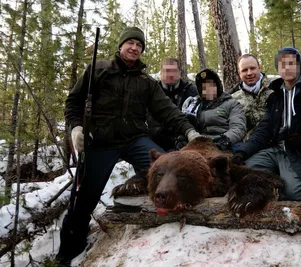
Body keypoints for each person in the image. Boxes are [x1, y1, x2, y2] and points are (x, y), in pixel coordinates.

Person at [57, 26, 201, 265]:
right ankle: (68, 252)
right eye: (130, 43)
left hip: (134, 139)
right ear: (121, 45)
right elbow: (73, 101)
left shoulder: (146, 82)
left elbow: (167, 111)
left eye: (139, 45)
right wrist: (76, 128)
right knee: (83, 197)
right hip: (100, 142)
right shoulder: (98, 69)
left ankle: (177, 219)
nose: (134, 48)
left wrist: (189, 131)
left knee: (167, 169)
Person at [232, 47, 301, 201]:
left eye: (291, 63)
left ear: (299, 65)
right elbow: (264, 129)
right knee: (244, 171)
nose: (287, 68)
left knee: (296, 193)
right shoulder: (276, 94)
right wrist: (243, 151)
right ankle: (280, 185)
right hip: (277, 150)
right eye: (282, 65)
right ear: (277, 69)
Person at [180, 68, 246, 151]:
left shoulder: (232, 103)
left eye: (211, 85)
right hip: (200, 144)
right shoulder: (193, 104)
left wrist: (225, 140)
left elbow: (238, 127)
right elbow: (185, 125)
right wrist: (182, 138)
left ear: (218, 86)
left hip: (226, 143)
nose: (208, 90)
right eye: (204, 87)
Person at [147, 58, 198, 151]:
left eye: (173, 71)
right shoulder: (152, 93)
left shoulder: (192, 91)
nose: (170, 74)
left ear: (179, 72)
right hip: (158, 142)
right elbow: (150, 123)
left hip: (187, 142)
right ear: (161, 73)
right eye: (167, 71)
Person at [228, 54, 273, 139]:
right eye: (244, 70)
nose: (249, 73)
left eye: (252, 68)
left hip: (273, 144)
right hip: (244, 146)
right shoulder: (233, 99)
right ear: (239, 73)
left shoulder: (275, 91)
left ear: (259, 68)